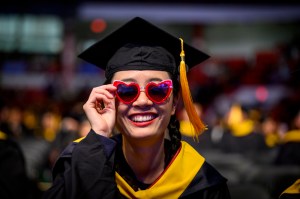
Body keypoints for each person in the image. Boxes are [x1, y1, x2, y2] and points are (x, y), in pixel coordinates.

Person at [43, 17, 230, 199]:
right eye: (126, 90)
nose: (142, 102)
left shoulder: (203, 184)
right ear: (108, 99)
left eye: (157, 90)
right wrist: (99, 135)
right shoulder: (80, 163)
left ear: (174, 102)